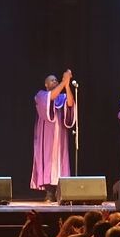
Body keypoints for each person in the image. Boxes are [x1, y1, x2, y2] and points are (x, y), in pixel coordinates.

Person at [31, 69, 76, 202]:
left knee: (61, 159)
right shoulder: (41, 95)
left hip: (60, 134)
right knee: (48, 159)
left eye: (56, 80)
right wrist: (64, 81)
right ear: (46, 84)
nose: (55, 81)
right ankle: (49, 192)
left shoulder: (61, 97)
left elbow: (70, 103)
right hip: (46, 135)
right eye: (52, 80)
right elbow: (51, 97)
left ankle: (60, 192)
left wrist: (67, 85)